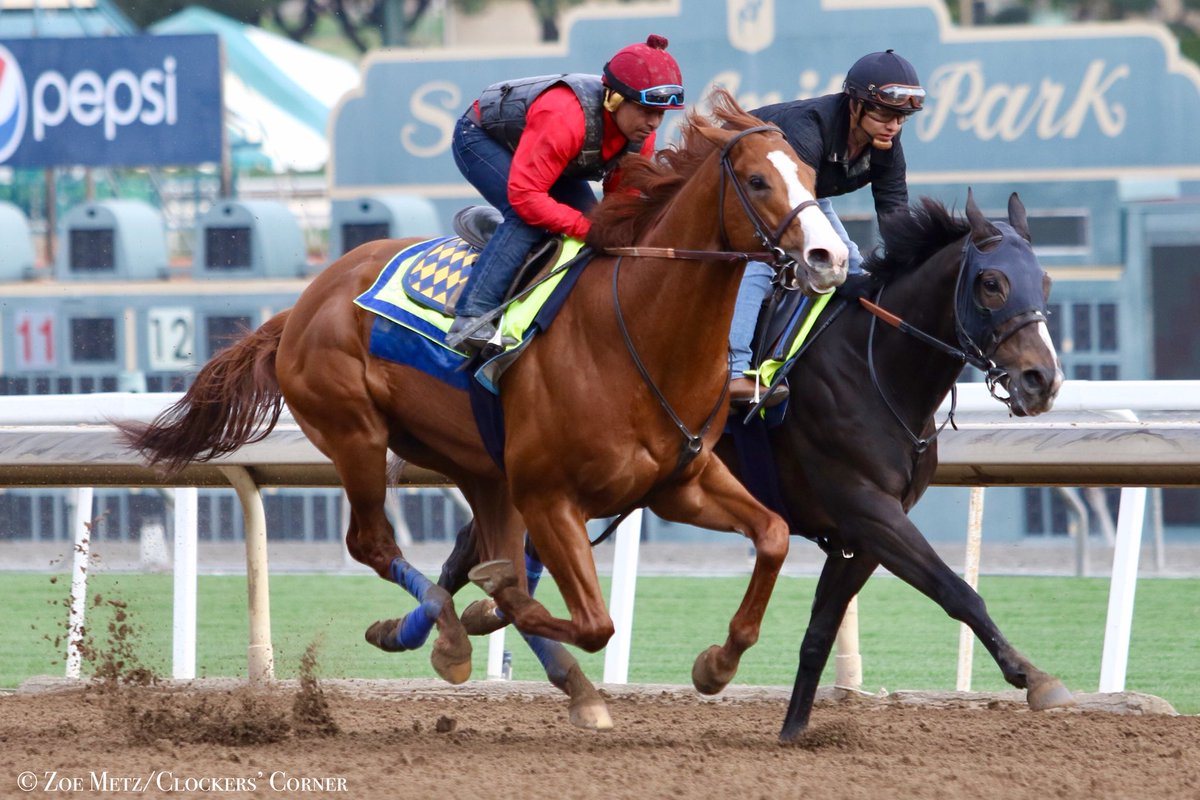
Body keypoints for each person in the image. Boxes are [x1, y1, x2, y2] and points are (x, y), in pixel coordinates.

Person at [445, 34, 687, 350]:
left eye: (661, 114)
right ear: (614, 99)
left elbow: (618, 207)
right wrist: (587, 228)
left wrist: (608, 229)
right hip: (481, 139)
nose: (654, 123)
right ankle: (471, 319)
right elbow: (527, 197)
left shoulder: (641, 137)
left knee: (596, 226)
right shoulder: (564, 116)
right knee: (527, 218)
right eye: (645, 110)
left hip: (554, 160)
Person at [727, 49, 925, 406]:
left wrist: (906, 274)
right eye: (884, 112)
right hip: (755, 193)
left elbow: (895, 214)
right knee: (760, 261)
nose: (893, 125)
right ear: (855, 104)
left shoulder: (887, 145)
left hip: (806, 197)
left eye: (902, 117)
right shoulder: (808, 127)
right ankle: (734, 371)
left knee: (855, 269)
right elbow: (795, 208)